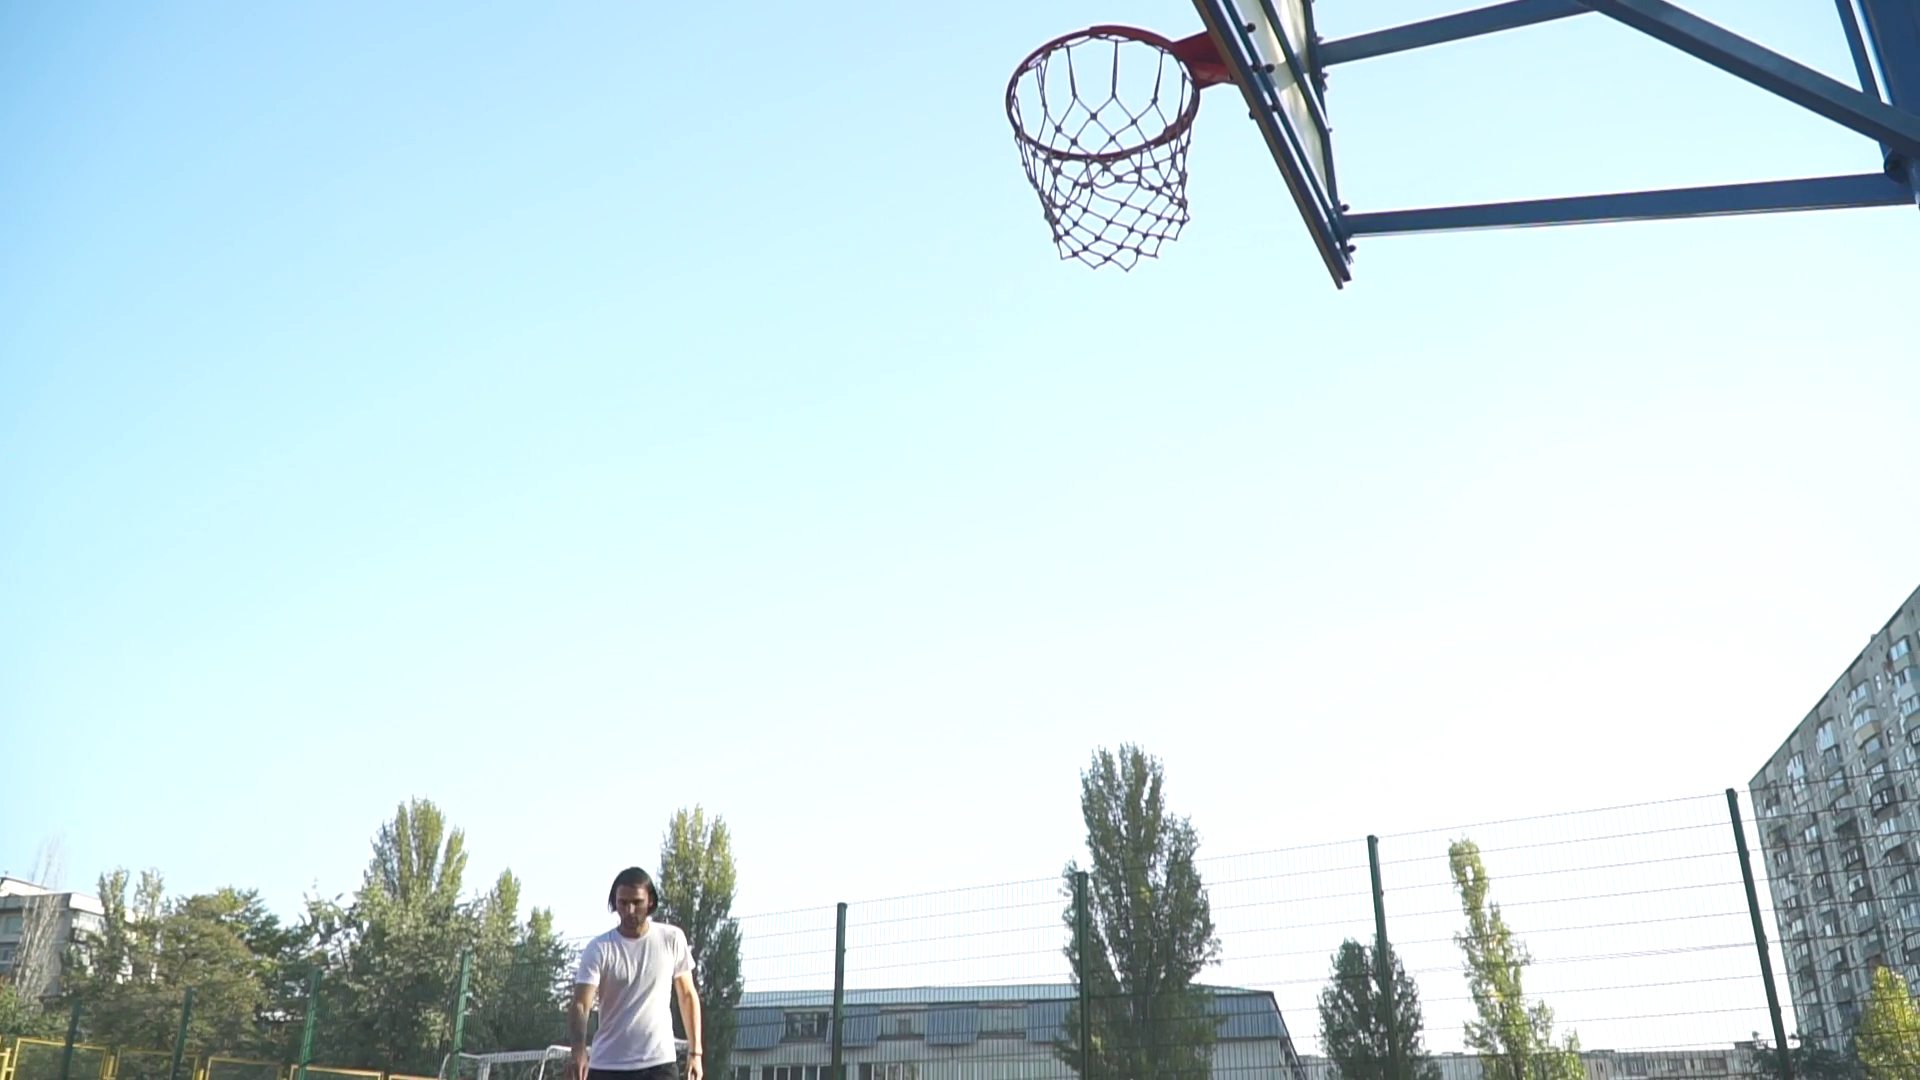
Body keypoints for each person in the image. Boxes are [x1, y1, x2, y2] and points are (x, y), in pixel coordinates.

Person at [569, 867, 703, 1080]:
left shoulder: (672, 939)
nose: (629, 910)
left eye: (637, 902)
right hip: (608, 1066)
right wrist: (578, 1050)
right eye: (622, 903)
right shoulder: (599, 948)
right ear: (615, 903)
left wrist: (696, 1053)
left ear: (650, 902)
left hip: (658, 1064)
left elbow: (687, 996)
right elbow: (581, 1004)